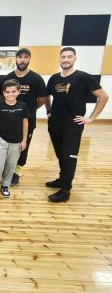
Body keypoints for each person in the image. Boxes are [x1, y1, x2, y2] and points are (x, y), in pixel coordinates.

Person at [45, 47, 109, 203]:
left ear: (74, 58)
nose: (66, 59)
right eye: (63, 57)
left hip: (72, 125)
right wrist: (49, 111)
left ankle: (65, 190)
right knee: (61, 154)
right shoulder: (54, 78)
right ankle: (62, 179)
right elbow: (47, 95)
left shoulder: (83, 77)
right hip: (55, 124)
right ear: (59, 59)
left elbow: (103, 96)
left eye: (69, 57)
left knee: (69, 156)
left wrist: (91, 118)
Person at [0, 48, 47, 186]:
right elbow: (1, 97)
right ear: (16, 59)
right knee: (7, 146)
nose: (22, 60)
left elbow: (42, 99)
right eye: (20, 57)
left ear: (29, 59)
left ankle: (16, 172)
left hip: (28, 121)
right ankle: (7, 169)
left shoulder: (36, 78)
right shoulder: (8, 78)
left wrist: (27, 111)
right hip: (8, 121)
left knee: (22, 147)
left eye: (26, 57)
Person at [0, 79, 29, 198]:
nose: (10, 94)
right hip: (2, 140)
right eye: (7, 92)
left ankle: (5, 185)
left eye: (13, 91)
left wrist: (24, 140)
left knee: (11, 166)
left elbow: (25, 123)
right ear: (3, 93)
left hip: (17, 142)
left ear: (18, 92)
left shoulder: (23, 106)